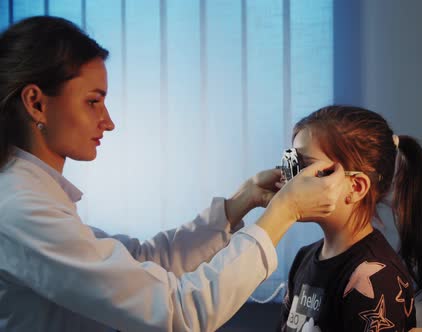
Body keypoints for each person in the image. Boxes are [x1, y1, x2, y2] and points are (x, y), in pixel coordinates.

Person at [0, 16, 346, 332]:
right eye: (93, 101)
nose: (108, 121)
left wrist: (238, 204)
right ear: (36, 102)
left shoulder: (34, 196)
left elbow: (140, 261)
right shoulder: (21, 207)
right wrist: (282, 213)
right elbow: (178, 312)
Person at [278, 106, 422, 332]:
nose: (291, 181)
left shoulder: (377, 278)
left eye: (306, 167)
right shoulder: (304, 258)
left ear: (357, 187)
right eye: (291, 162)